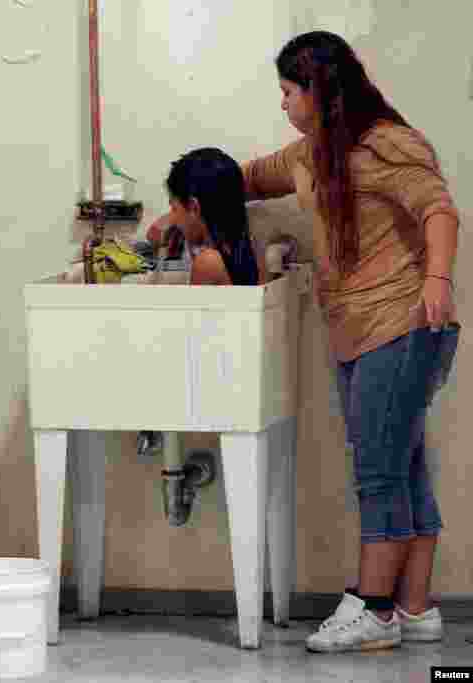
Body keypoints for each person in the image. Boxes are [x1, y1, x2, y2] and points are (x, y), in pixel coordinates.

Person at [149, 30, 461, 654]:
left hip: (399, 323)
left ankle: (372, 611)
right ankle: (415, 606)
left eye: (291, 91)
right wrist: (178, 214)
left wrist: (436, 276)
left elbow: (437, 208)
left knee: (378, 471)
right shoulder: (307, 154)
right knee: (402, 463)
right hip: (357, 328)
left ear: (323, 90)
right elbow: (242, 178)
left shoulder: (387, 145)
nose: (285, 103)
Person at [163, 147, 265, 286]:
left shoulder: (207, 262)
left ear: (194, 208)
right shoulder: (254, 249)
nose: (174, 220)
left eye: (174, 208)